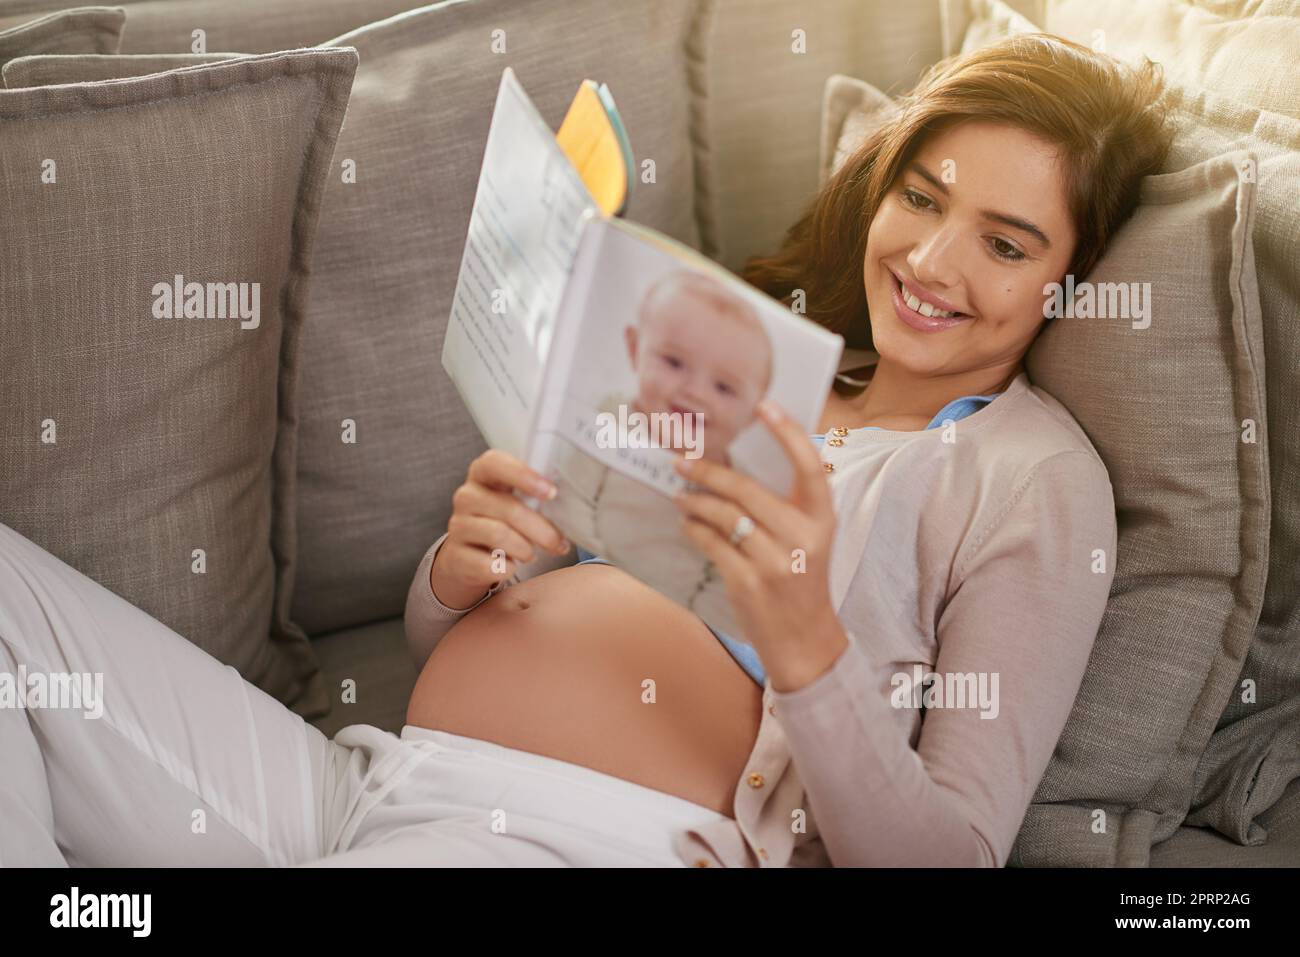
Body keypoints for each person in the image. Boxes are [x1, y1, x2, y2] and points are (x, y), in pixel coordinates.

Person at [0, 33, 1172, 867]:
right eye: (922, 199)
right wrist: (463, 572)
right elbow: (475, 635)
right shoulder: (771, 364)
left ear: (1071, 278)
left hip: (582, 835)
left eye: (1006, 244)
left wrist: (808, 646)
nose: (930, 262)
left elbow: (954, 854)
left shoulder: (1030, 480)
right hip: (369, 782)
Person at [539, 268, 774, 636]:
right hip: (578, 595)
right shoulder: (612, 420)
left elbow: (728, 589)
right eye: (674, 363)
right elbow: (564, 506)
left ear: (752, 414)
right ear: (634, 349)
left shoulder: (738, 484)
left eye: (724, 388)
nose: (695, 392)